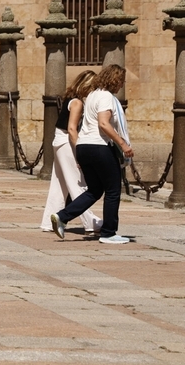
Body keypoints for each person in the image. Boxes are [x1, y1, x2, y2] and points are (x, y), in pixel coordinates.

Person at [51, 64, 133, 244]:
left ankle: (62, 217)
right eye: (121, 81)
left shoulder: (92, 95)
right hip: (99, 146)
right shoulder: (105, 97)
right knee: (113, 190)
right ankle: (109, 233)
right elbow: (104, 124)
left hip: (84, 146)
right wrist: (122, 143)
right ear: (114, 80)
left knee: (95, 190)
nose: (121, 85)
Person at [40, 70, 102, 233]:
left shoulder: (70, 99)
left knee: (59, 185)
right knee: (77, 184)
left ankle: (48, 221)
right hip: (67, 142)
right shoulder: (77, 103)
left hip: (59, 140)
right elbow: (72, 129)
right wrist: (79, 153)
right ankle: (89, 221)